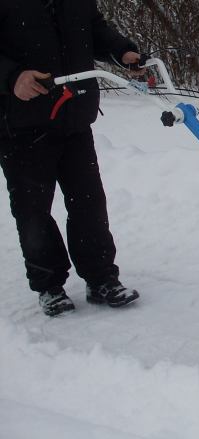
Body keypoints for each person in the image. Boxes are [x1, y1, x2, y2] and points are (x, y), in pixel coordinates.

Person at [0, 0, 141, 316]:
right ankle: (49, 285)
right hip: (21, 124)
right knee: (33, 211)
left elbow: (94, 29)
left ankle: (101, 277)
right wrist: (12, 77)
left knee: (89, 202)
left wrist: (122, 52)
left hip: (73, 116)